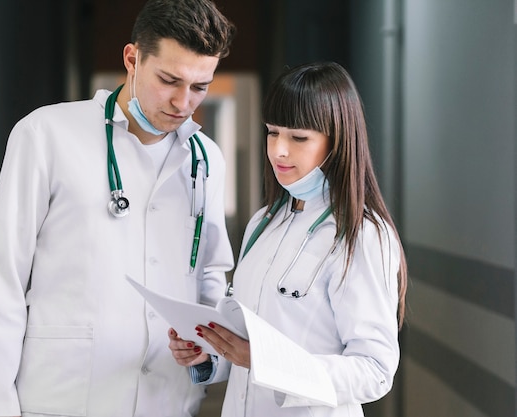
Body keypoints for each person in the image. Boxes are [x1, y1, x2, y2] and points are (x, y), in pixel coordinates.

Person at [0, 1, 236, 416]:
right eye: (169, 80)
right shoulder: (46, 135)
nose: (183, 103)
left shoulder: (206, 159)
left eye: (200, 87)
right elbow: (3, 283)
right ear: (132, 59)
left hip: (166, 399)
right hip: (63, 397)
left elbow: (211, 275)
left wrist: (209, 356)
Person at [169, 61, 408, 416]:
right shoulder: (264, 223)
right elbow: (247, 347)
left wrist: (267, 362)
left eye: (298, 138)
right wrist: (209, 354)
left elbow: (375, 370)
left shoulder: (362, 234)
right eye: (272, 132)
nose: (279, 150)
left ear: (338, 142)